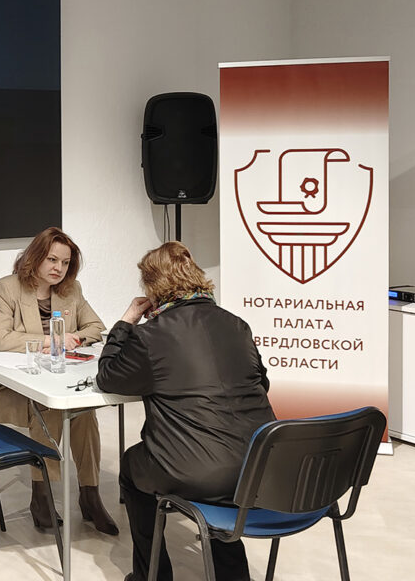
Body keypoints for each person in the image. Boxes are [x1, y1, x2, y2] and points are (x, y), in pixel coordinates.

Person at [95, 241, 276, 581]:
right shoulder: (237, 325)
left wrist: (125, 323)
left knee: (133, 466)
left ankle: (152, 576)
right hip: (260, 467)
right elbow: (261, 384)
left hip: (197, 473)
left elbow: (108, 377)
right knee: (219, 466)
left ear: (153, 288)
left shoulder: (149, 336)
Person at [0, 227, 119, 535]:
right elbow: (2, 339)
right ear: (35, 257)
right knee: (50, 407)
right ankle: (42, 494)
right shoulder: (6, 288)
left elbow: (96, 327)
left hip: (57, 376)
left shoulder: (71, 290)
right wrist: (51, 341)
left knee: (83, 412)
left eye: (65, 263)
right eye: (52, 260)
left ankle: (90, 494)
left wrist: (74, 338)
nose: (58, 268)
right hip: (9, 386)